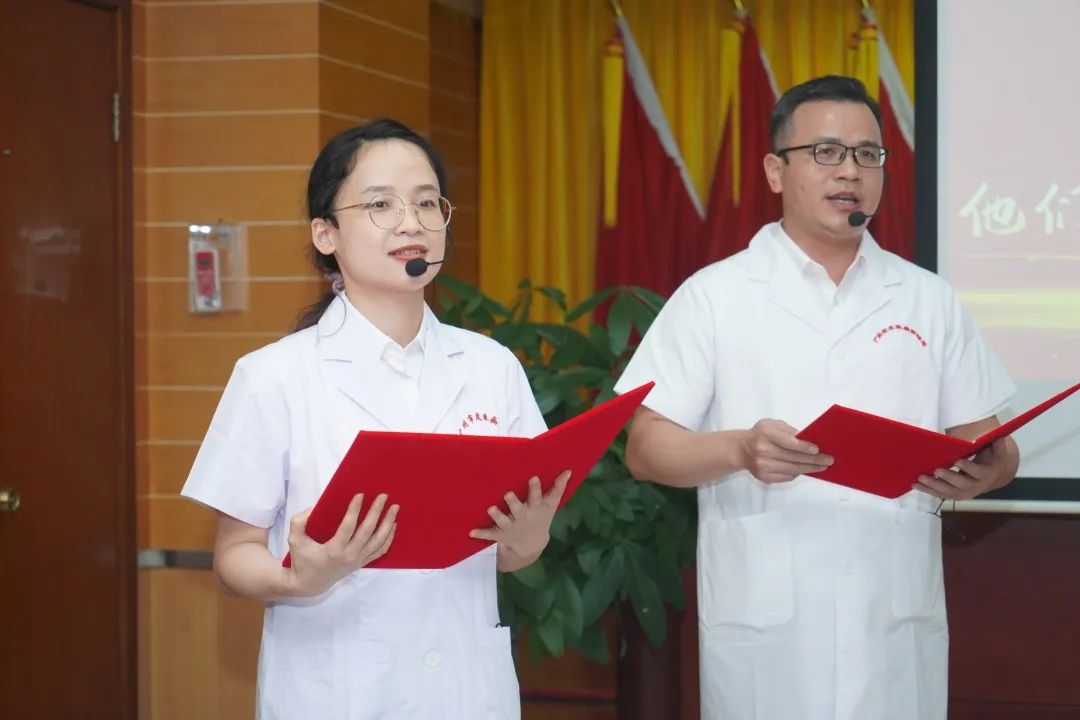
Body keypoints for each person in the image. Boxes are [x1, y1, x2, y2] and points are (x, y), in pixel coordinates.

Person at [614, 75, 1019, 720]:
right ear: (776, 171)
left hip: (891, 626)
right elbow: (645, 448)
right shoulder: (715, 295)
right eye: (826, 152)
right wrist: (740, 450)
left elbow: (992, 442)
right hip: (766, 634)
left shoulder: (927, 299)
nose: (850, 171)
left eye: (867, 154)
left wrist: (988, 467)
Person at [181, 118, 569, 720]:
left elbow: (510, 552)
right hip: (336, 693)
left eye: (426, 203)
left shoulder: (492, 367)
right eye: (380, 205)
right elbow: (234, 555)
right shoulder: (274, 376)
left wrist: (528, 539)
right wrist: (299, 579)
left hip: (468, 691)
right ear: (326, 234)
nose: (410, 223)